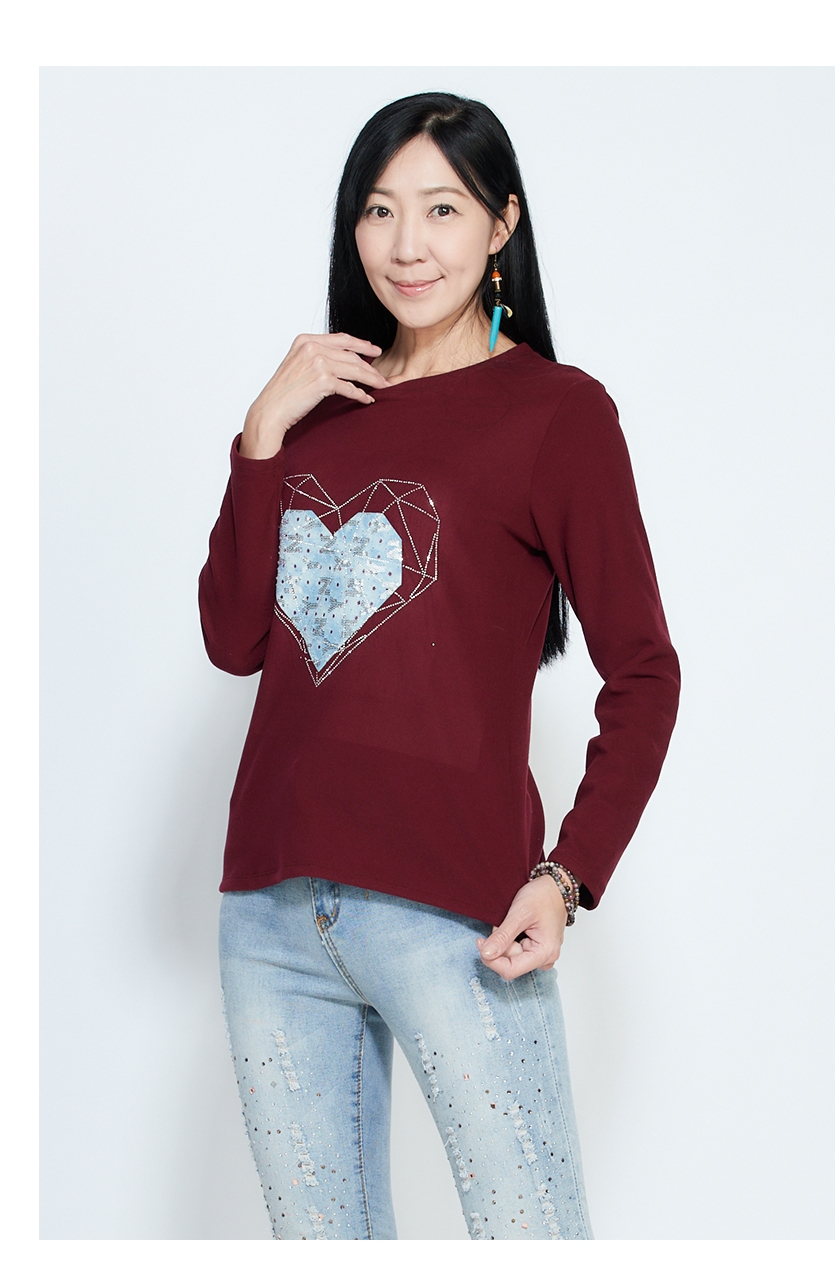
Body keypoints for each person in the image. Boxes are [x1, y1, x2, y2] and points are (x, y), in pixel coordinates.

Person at [199, 91, 680, 1242]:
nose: (406, 244)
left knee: (532, 1240)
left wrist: (568, 874)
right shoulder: (315, 412)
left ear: (502, 223)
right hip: (273, 911)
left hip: (455, 914)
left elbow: (645, 671)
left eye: (442, 209)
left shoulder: (559, 414)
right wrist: (261, 433)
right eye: (378, 210)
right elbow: (233, 638)